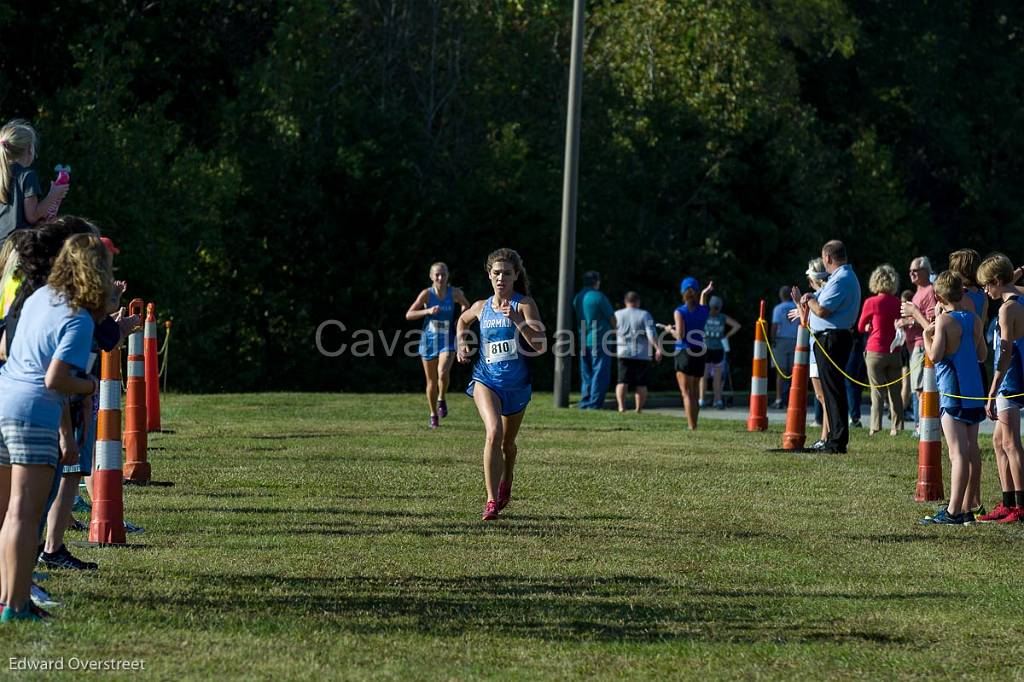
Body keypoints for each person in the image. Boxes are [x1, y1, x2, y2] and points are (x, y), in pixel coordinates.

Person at [0, 233, 111, 622]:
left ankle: (7, 596)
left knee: (6, 513)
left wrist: (65, 432)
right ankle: (15, 606)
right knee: (25, 514)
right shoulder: (79, 319)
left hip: (3, 399)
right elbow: (56, 380)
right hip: (32, 412)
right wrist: (91, 385)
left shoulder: (37, 298)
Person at [457, 249, 545, 521]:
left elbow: (540, 346)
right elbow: (462, 320)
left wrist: (517, 321)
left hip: (516, 385)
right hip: (486, 379)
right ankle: (492, 500)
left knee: (508, 444)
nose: (501, 278)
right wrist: (462, 341)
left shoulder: (523, 304)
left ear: (516, 275)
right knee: (493, 432)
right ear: (489, 275)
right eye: (496, 273)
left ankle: (507, 479)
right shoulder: (482, 306)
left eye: (507, 273)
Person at [919, 271, 986, 525]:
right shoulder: (974, 320)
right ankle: (967, 506)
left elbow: (935, 356)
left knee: (957, 454)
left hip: (953, 393)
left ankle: (953, 511)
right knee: (968, 452)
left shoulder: (945, 322)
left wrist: (928, 334)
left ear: (938, 296)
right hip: (973, 394)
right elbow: (981, 356)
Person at [792, 241, 861, 454]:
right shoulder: (841, 278)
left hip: (832, 338)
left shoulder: (841, 279)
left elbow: (822, 310)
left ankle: (837, 440)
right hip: (831, 337)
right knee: (832, 390)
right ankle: (833, 437)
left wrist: (809, 298)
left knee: (833, 390)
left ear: (828, 258)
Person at [977, 254, 1024, 523]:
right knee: (998, 441)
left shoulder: (1007, 310)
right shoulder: (1017, 300)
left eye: (987, 285)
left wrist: (992, 390)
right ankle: (1007, 502)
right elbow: (1010, 284)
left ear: (996, 281)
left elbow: (1004, 354)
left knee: (1010, 442)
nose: (985, 291)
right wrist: (1012, 275)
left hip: (1010, 379)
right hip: (1013, 378)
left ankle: (1020, 505)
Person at [405, 262, 470, 429]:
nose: (440, 278)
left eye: (444, 275)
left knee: (443, 372)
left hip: (447, 340)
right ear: (431, 276)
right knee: (431, 381)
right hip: (428, 341)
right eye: (437, 275)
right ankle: (433, 414)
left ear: (448, 276)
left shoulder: (454, 293)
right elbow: (409, 314)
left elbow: (466, 305)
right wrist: (426, 311)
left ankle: (442, 397)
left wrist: (460, 318)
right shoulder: (427, 294)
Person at [0, 120, 70, 245]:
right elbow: (32, 215)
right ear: (29, 149)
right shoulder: (28, 175)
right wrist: (54, 194)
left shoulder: (3, 175)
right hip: (19, 245)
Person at [857, 264, 903, 436]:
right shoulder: (898, 302)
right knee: (895, 392)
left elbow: (861, 326)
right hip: (894, 350)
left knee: (877, 391)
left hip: (875, 350)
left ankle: (875, 426)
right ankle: (896, 427)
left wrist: (870, 327)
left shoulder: (871, 302)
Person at [898, 256, 938, 435]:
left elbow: (931, 321)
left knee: (922, 389)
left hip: (922, 346)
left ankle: (923, 427)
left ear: (927, 272)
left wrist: (908, 321)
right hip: (915, 346)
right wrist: (904, 322)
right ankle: (921, 425)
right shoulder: (918, 292)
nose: (912, 273)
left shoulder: (929, 291)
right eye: (910, 271)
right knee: (918, 389)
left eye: (916, 270)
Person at [670, 277, 713, 430]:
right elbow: (702, 304)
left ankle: (690, 425)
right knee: (695, 392)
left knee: (686, 392)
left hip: (684, 352)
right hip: (699, 352)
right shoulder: (703, 310)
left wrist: (670, 330)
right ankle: (694, 423)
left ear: (682, 292)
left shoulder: (680, 311)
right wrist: (704, 293)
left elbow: (680, 335)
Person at [573, 271, 615, 409]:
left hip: (583, 339)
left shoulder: (578, 297)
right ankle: (595, 403)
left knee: (586, 372)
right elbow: (612, 318)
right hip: (600, 339)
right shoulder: (599, 297)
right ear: (597, 282)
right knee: (600, 372)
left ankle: (585, 400)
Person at [614, 291, 661, 413]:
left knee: (622, 381)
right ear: (638, 302)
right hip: (642, 354)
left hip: (623, 352)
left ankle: (621, 407)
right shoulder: (645, 315)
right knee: (641, 383)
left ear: (625, 302)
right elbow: (651, 334)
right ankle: (638, 409)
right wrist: (657, 348)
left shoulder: (617, 314)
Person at [701, 295, 740, 409]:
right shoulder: (722, 317)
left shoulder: (705, 316)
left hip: (706, 348)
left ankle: (701, 400)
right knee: (717, 377)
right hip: (718, 349)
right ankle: (717, 401)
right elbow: (737, 326)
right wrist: (726, 336)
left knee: (703, 376)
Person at [770, 285, 799, 409]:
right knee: (795, 371)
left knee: (780, 372)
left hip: (781, 340)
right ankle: (793, 399)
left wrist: (772, 340)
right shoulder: (797, 307)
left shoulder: (778, 308)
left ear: (781, 295)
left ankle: (779, 399)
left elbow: (775, 326)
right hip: (795, 340)